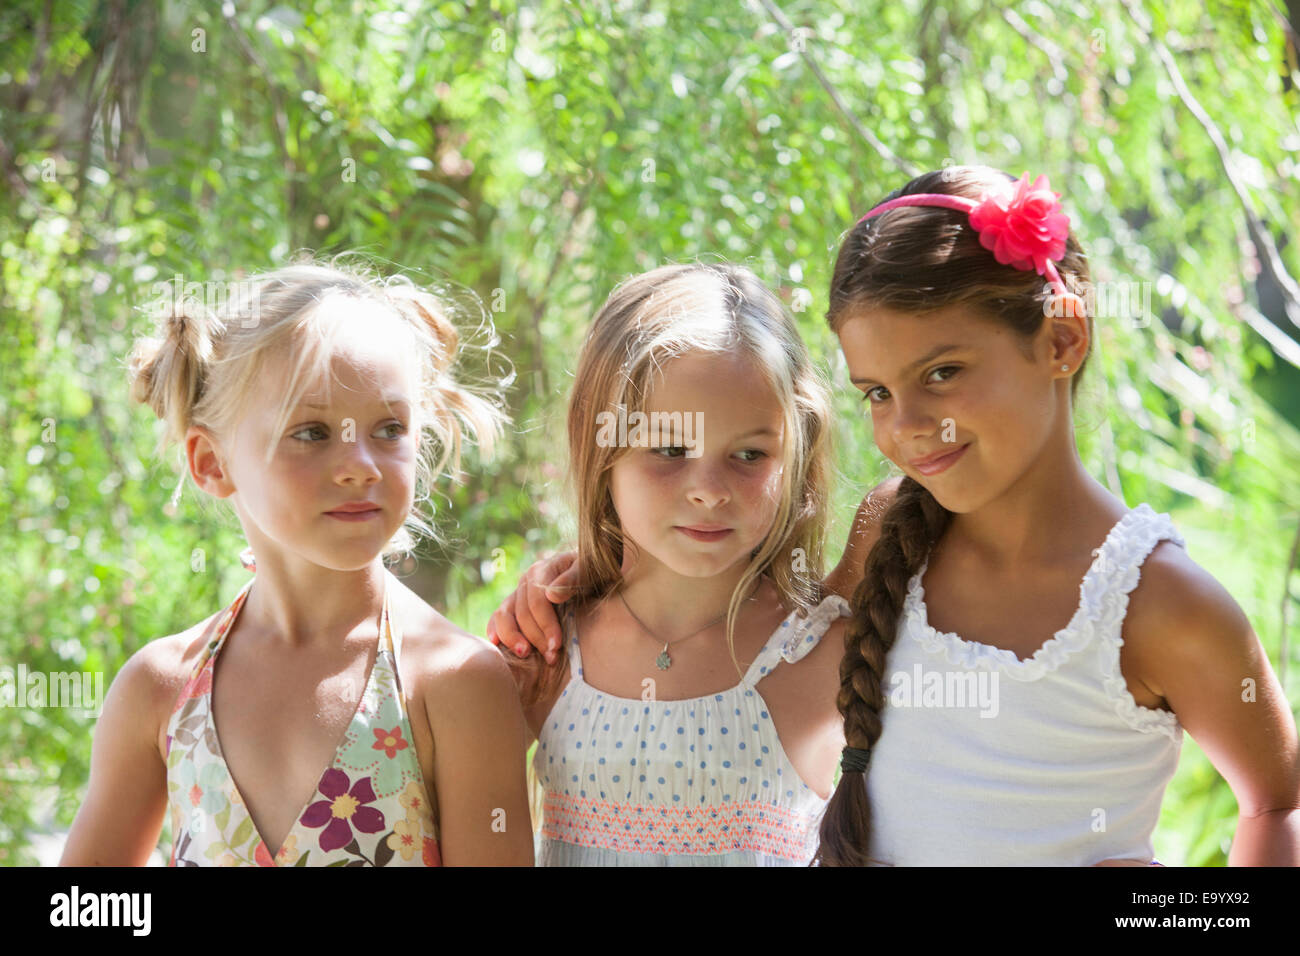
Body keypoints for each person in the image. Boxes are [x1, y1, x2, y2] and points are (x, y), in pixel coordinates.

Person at [493, 168, 1299, 866]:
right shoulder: (888, 536)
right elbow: (749, 624)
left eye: (942, 373)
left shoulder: (1164, 606)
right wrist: (583, 575)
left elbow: (1277, 803)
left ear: (1061, 338)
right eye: (877, 392)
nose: (907, 426)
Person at [61, 259, 533, 866]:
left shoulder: (452, 683)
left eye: (389, 429)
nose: (361, 464)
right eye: (311, 433)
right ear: (211, 463)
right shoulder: (162, 691)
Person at [499, 262, 851, 865]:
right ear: (597, 442)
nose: (709, 490)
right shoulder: (551, 649)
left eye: (749, 453)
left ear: (798, 446)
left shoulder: (822, 646)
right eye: (668, 449)